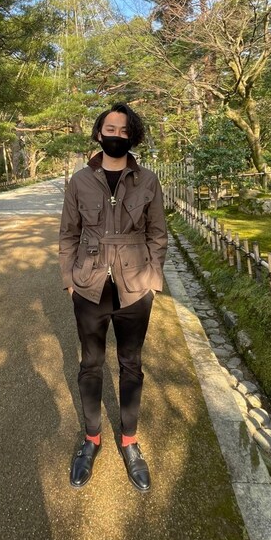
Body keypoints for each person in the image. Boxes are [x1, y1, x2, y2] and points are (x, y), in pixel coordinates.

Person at [59, 103, 168, 492]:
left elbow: (157, 233)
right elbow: (68, 234)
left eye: (124, 131)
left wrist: (153, 279)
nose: (116, 136)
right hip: (88, 284)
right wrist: (69, 280)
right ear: (98, 133)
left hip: (135, 285)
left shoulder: (148, 181)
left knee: (131, 365)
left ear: (132, 136)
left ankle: (130, 441)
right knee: (90, 364)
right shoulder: (79, 181)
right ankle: (91, 439)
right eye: (110, 129)